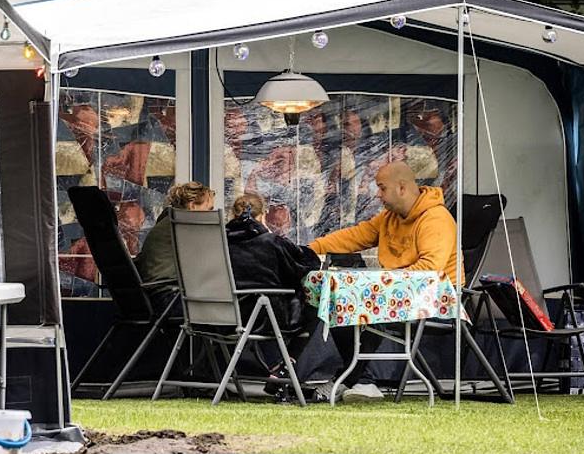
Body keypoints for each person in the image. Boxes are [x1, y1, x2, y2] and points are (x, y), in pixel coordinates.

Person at [307, 160, 461, 402]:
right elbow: (355, 236)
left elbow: (430, 271)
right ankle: (359, 380)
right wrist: (310, 249)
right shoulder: (389, 217)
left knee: (363, 305)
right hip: (398, 295)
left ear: (401, 187)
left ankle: (359, 380)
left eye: (382, 188)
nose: (377, 195)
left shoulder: (436, 219)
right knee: (340, 301)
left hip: (436, 302)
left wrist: (380, 283)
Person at [225, 193, 323, 402]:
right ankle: (284, 368)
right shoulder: (272, 242)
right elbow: (308, 264)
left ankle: (279, 368)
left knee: (269, 305)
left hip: (220, 317)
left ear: (232, 214)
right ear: (262, 216)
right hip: (264, 318)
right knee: (316, 307)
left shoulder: (217, 243)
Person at [134, 181, 215, 313]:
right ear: (193, 205)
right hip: (170, 299)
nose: (211, 213)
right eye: (209, 209)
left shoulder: (168, 223)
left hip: (157, 296)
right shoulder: (185, 226)